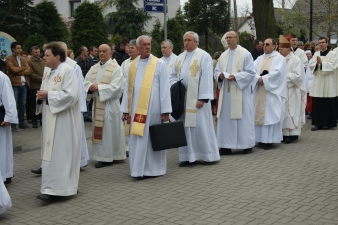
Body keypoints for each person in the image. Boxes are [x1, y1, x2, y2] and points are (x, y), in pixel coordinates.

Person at [120, 35, 172, 178]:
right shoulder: (132, 66)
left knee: (152, 138)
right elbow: (127, 89)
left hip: (154, 110)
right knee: (137, 140)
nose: (148, 47)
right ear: (137, 48)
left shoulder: (158, 64)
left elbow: (165, 88)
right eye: (144, 45)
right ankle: (138, 170)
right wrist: (125, 110)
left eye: (149, 44)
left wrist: (166, 110)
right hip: (135, 109)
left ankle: (154, 170)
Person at [36, 42, 81, 201]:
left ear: (57, 56)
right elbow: (46, 92)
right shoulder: (48, 72)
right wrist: (41, 96)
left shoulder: (68, 71)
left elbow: (71, 96)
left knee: (61, 153)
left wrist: (48, 95)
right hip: (50, 118)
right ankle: (49, 187)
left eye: (47, 55)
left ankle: (62, 189)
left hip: (63, 121)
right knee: (50, 153)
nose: (44, 57)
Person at [169, 31, 220, 167]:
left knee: (201, 127)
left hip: (197, 100)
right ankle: (187, 156)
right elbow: (172, 75)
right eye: (185, 40)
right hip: (183, 99)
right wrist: (175, 87)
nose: (186, 42)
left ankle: (207, 155)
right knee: (185, 128)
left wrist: (202, 98)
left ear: (196, 42)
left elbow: (206, 78)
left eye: (189, 40)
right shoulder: (179, 57)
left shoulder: (204, 56)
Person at [84, 44, 126, 168]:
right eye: (100, 51)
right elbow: (85, 81)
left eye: (104, 51)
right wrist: (90, 86)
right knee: (103, 131)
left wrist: (99, 87)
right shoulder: (94, 68)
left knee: (110, 131)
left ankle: (112, 156)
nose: (101, 53)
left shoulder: (116, 68)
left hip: (110, 105)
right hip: (98, 104)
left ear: (110, 53)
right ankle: (103, 156)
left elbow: (117, 87)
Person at [214, 31, 256, 155]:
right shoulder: (223, 55)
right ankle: (225, 146)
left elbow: (251, 73)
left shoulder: (245, 54)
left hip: (240, 92)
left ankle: (246, 144)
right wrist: (220, 76)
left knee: (242, 118)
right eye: (226, 38)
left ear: (237, 39)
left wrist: (236, 77)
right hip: (226, 93)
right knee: (225, 118)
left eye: (230, 38)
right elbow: (216, 71)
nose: (228, 40)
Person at [251, 38, 287, 150]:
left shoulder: (279, 59)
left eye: (267, 44)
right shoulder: (259, 58)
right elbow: (252, 70)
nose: (264, 46)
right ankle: (260, 139)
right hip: (259, 90)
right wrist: (258, 78)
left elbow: (277, 73)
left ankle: (269, 140)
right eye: (264, 44)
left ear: (274, 46)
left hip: (271, 92)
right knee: (258, 115)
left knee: (269, 116)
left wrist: (264, 79)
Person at [279, 35, 307, 143]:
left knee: (292, 111)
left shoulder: (296, 60)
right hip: (281, 90)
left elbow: (298, 76)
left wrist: (283, 77)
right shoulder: (279, 59)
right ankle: (283, 134)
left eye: (281, 49)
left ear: (287, 49)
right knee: (283, 111)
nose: (280, 51)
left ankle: (293, 134)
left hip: (292, 89)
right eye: (279, 49)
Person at [309, 37, 337, 130]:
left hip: (328, 80)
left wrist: (322, 63)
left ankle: (329, 123)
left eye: (323, 42)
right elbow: (311, 65)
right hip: (318, 80)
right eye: (320, 42)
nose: (321, 44)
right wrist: (317, 64)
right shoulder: (316, 53)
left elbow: (333, 66)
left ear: (327, 43)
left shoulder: (333, 54)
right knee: (318, 103)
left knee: (328, 102)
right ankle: (318, 124)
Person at [5, 42, 31, 131]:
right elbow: (13, 69)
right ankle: (13, 124)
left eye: (20, 48)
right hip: (15, 84)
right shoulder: (9, 59)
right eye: (18, 48)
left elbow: (29, 70)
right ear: (13, 49)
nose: (20, 50)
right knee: (14, 104)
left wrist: (20, 71)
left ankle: (21, 122)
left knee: (22, 104)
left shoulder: (23, 59)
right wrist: (22, 69)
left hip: (24, 84)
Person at [0, 71, 18, 185]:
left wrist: (10, 117)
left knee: (3, 147)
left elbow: (8, 97)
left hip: (2, 117)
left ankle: (5, 174)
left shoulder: (2, 77)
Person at [27, 46, 44, 128]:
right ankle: (34, 121)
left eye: (38, 52)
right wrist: (42, 79)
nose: (37, 54)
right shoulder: (29, 62)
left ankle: (41, 120)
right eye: (35, 52)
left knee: (41, 104)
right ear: (31, 53)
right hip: (34, 86)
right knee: (34, 104)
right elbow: (31, 74)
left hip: (43, 86)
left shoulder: (42, 61)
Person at [305, 50, 314, 119]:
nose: (308, 56)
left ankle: (310, 111)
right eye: (306, 54)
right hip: (306, 81)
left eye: (309, 54)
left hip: (311, 81)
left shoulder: (312, 61)